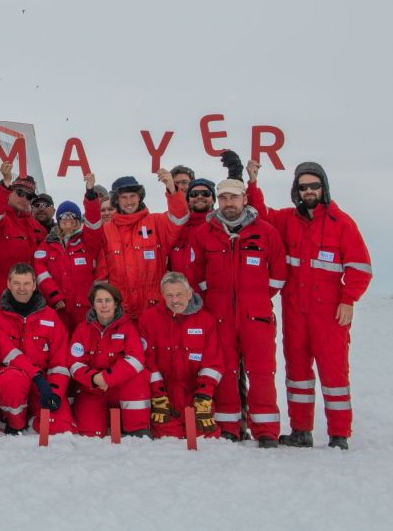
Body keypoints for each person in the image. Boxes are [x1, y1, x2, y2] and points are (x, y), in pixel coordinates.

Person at [246, 161, 372, 450]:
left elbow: (360, 267)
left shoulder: (342, 224)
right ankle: (301, 430)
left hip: (329, 312)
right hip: (295, 310)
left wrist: (348, 299)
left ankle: (339, 434)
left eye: (314, 185)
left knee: (334, 374)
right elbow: (261, 215)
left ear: (324, 187)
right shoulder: (288, 220)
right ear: (297, 190)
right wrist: (253, 182)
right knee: (298, 373)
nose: (309, 191)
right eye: (303, 187)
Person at [185, 178, 286, 445]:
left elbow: (278, 276)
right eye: (224, 198)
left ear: (244, 199)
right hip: (220, 317)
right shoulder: (204, 234)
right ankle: (229, 427)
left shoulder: (266, 232)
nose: (229, 203)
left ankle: (266, 430)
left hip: (257, 317)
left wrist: (255, 299)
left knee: (262, 372)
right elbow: (197, 276)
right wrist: (216, 302)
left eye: (234, 197)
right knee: (226, 372)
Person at [91, 170, 189, 325]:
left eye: (133, 196)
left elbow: (180, 217)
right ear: (116, 200)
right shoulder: (107, 230)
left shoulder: (156, 222)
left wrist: (171, 186)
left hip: (154, 309)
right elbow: (102, 275)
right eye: (124, 197)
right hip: (121, 311)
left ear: (140, 197)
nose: (129, 201)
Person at [0, 263, 73, 434]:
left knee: (61, 429)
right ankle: (15, 423)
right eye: (17, 283)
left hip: (43, 383)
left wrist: (54, 392)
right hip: (12, 379)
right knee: (12, 379)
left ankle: (35, 417)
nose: (22, 288)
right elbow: (7, 352)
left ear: (35, 285)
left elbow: (60, 361)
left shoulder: (50, 316)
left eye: (27, 283)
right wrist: (37, 377)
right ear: (8, 284)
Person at [138, 272, 223, 440]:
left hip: (195, 397)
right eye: (169, 295)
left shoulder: (206, 321)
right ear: (162, 295)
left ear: (189, 293)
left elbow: (213, 363)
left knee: (206, 440)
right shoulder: (148, 319)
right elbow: (147, 360)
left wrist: (204, 395)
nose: (174, 300)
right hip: (165, 397)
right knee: (167, 442)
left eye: (179, 294)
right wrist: (158, 394)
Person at [68, 282, 151, 437]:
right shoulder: (82, 329)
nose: (104, 305)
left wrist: (106, 378)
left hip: (122, 385)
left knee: (138, 379)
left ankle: (136, 428)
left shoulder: (127, 327)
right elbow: (74, 363)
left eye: (108, 300)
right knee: (90, 434)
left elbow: (136, 360)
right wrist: (94, 378)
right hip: (93, 387)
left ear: (116, 303)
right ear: (93, 304)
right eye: (99, 301)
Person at [34, 183, 103, 333]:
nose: (68, 219)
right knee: (60, 343)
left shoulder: (87, 240)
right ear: (58, 219)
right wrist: (54, 296)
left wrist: (90, 194)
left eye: (72, 216)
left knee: (85, 343)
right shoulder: (47, 244)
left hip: (83, 308)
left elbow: (94, 221)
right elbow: (40, 271)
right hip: (58, 307)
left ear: (78, 219)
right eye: (63, 216)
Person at [0, 161, 46, 310]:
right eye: (20, 193)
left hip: (29, 296)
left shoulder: (35, 226)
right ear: (10, 192)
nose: (24, 198)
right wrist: (5, 182)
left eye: (29, 197)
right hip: (1, 296)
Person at [168, 177, 215, 275]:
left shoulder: (222, 227)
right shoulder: (177, 227)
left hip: (210, 289)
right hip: (180, 289)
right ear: (188, 201)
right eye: (194, 194)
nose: (199, 197)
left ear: (213, 200)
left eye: (205, 193)